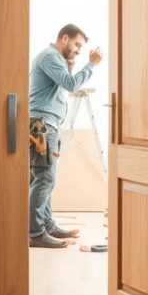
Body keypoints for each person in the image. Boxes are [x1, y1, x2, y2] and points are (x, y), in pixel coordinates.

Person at [28, 24, 103, 248]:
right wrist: (91, 64)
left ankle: (46, 225)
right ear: (65, 38)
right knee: (44, 178)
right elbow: (70, 85)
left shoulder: (56, 60)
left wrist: (70, 67)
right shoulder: (49, 56)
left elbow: (60, 86)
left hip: (46, 125)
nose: (79, 50)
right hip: (40, 126)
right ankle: (35, 233)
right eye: (77, 44)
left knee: (44, 178)